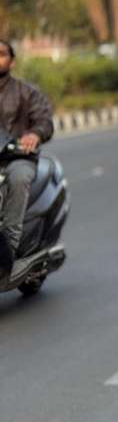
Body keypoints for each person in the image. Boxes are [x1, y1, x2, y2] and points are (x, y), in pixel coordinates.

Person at [0, 39, 54, 281]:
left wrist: (34, 134)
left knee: (19, 177)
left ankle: (8, 250)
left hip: (16, 157)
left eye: (1, 54)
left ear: (11, 60)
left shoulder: (26, 91)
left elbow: (44, 120)